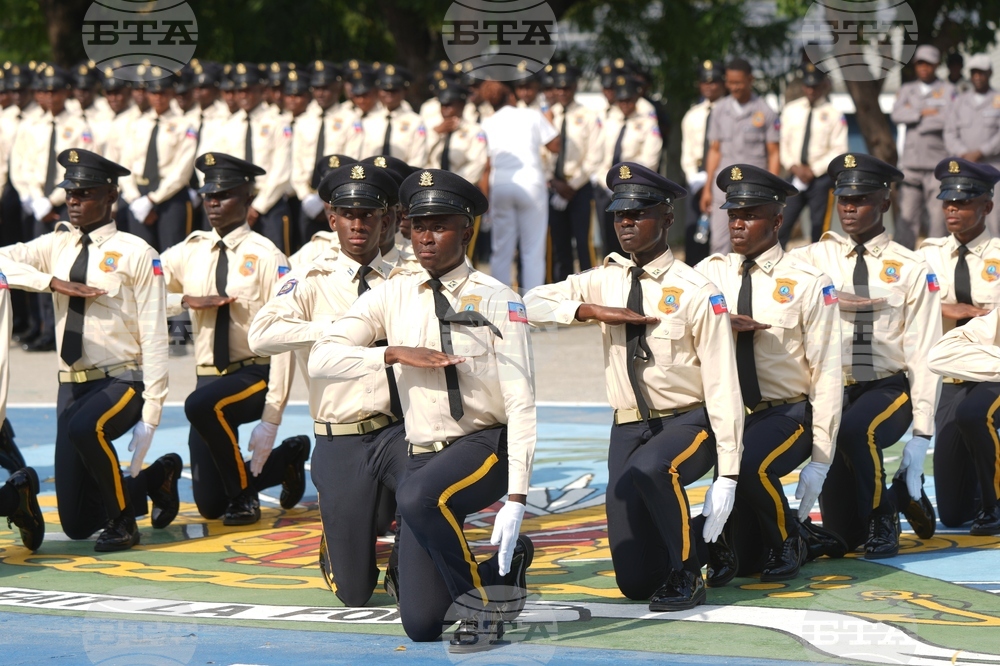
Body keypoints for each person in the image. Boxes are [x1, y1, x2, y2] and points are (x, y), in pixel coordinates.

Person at [309, 168, 535, 650]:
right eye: (417, 225)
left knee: (416, 497)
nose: (425, 237)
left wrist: (516, 499)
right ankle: (505, 566)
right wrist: (389, 353)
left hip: (484, 444)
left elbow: (521, 402)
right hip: (421, 451)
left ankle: (483, 605)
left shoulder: (499, 299)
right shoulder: (390, 295)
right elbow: (323, 356)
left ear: (467, 229)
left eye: (440, 224)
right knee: (422, 624)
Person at [524, 162, 743, 611]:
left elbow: (723, 383)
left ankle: (688, 574)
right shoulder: (604, 280)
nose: (625, 222)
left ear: (666, 218)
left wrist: (729, 472)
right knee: (636, 582)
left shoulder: (696, 290)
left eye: (638, 213)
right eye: (619, 214)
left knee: (652, 468)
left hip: (687, 420)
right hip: (627, 426)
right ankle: (707, 540)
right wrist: (590, 311)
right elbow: (530, 302)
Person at [0, 148, 180, 551]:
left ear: (111, 195)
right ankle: (156, 480)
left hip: (123, 377)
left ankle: (123, 523)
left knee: (88, 428)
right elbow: (1, 260)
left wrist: (152, 413)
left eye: (85, 193)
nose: (74, 201)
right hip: (71, 384)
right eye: (70, 193)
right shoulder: (56, 245)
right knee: (78, 523)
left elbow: (154, 334)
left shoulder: (137, 253)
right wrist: (51, 283)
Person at [249, 163, 407, 606]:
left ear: (387, 219)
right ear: (332, 218)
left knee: (426, 491)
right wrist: (337, 330)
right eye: (348, 214)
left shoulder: (408, 275)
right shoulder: (308, 277)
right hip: (342, 436)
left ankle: (407, 558)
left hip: (402, 430)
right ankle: (342, 544)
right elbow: (260, 336)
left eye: (369, 214)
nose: (358, 224)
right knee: (355, 594)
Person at [694, 163, 844, 583]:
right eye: (733, 214)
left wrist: (821, 456)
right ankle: (761, 539)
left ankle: (788, 541)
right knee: (745, 561)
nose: (737, 224)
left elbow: (827, 369)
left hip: (786, 412)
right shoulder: (708, 274)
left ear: (778, 221)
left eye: (750, 214)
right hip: (728, 410)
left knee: (751, 463)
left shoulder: (808, 282)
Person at [791, 152, 942, 557]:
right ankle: (897, 499)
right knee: (844, 538)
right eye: (843, 200)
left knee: (859, 430)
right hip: (832, 387)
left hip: (887, 387)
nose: (850, 209)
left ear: (885, 204)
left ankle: (884, 518)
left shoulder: (912, 267)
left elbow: (925, 350)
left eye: (861, 200)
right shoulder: (810, 259)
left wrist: (922, 436)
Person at [159, 153, 307, 525]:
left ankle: (244, 497)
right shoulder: (190, 250)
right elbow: (141, 289)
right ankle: (285, 461)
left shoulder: (266, 256)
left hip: (253, 374)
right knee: (209, 504)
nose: (212, 203)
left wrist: (272, 417)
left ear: (247, 199)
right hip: (208, 377)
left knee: (201, 405)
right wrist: (184, 300)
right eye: (208, 195)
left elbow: (284, 334)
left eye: (223, 195)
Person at [920, 157, 1000, 532]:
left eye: (964, 201)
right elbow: (904, 305)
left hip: (992, 370)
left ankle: (995, 504)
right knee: (952, 514)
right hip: (949, 377)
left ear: (987, 205)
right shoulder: (926, 255)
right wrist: (954, 308)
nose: (953, 208)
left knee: (976, 414)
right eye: (948, 201)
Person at [10, 65, 94, 352]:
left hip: (64, 204)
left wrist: (54, 200)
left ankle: (63, 328)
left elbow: (81, 166)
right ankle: (41, 326)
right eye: (44, 91)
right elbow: (19, 166)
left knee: (66, 267)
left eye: (55, 90)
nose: (49, 96)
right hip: (36, 204)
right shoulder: (30, 124)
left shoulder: (79, 124)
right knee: (35, 264)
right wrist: (34, 198)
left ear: (65, 92)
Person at [201, 63, 293, 255]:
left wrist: (257, 207)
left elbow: (282, 169)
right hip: (236, 205)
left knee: (276, 261)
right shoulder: (229, 125)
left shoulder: (278, 122)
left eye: (249, 90)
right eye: (239, 90)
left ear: (261, 90)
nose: (243, 95)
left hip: (269, 204)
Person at [479, 79, 559, 291]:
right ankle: (532, 306)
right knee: (532, 249)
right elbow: (555, 146)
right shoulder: (532, 115)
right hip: (530, 183)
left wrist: (486, 199)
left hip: (500, 184)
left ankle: (500, 304)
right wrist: (549, 120)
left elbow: (486, 166)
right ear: (511, 96)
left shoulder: (487, 122)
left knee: (501, 248)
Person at [700, 58, 780, 256]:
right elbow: (715, 150)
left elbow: (773, 153)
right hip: (723, 189)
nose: (733, 87)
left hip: (754, 191)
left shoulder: (765, 111)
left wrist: (773, 188)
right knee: (719, 244)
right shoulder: (719, 111)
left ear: (750, 80)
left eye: (738, 82)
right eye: (729, 82)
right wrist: (708, 187)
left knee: (754, 244)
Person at [119, 68, 198, 251]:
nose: (158, 98)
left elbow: (182, 170)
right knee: (140, 258)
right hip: (139, 196)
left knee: (171, 255)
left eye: (164, 92)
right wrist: (135, 198)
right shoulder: (138, 123)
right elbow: (126, 163)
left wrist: (153, 200)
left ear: (171, 93)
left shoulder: (184, 125)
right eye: (154, 93)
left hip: (169, 197)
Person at [891, 45, 956, 249]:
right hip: (911, 165)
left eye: (928, 63)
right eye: (920, 63)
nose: (924, 68)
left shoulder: (948, 90)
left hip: (937, 166)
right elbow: (896, 115)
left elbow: (949, 119)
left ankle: (937, 265)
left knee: (938, 219)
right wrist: (922, 112)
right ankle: (903, 264)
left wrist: (917, 117)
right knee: (906, 219)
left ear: (936, 65)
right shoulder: (907, 89)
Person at [778, 63, 847, 246]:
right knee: (781, 225)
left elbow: (839, 149)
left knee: (819, 230)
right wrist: (793, 166)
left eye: (815, 86)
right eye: (807, 86)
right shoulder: (791, 109)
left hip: (821, 179)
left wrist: (814, 170)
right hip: (795, 176)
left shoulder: (834, 113)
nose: (811, 90)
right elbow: (783, 143)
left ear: (824, 85)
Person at [546, 64, 604, 282]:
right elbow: (544, 154)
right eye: (558, 88)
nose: (562, 92)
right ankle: (562, 288)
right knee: (558, 244)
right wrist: (553, 182)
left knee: (584, 243)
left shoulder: (588, 115)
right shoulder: (549, 115)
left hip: (578, 188)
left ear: (575, 87)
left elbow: (594, 155)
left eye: (567, 88)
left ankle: (589, 288)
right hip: (556, 186)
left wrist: (573, 185)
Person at [597, 75, 663, 257]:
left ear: (636, 99)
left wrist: (625, 186)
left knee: (633, 240)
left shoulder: (647, 123)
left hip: (634, 190)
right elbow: (598, 157)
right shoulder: (608, 123)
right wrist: (607, 184)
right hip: (606, 189)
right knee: (607, 240)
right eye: (621, 100)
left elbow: (649, 161)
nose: (625, 104)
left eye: (629, 100)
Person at [944, 54, 1000, 235]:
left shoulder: (997, 99)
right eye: (974, 72)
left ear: (990, 73)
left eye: (981, 72)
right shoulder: (960, 101)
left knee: (994, 216)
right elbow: (950, 132)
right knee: (962, 212)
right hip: (964, 169)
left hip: (992, 168)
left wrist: (981, 151)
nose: (977, 77)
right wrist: (962, 152)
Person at [291, 61, 344, 250]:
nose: (321, 93)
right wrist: (305, 196)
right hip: (309, 200)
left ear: (337, 87)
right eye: (316, 88)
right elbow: (296, 162)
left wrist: (334, 200)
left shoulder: (349, 120)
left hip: (340, 202)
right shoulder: (303, 121)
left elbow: (354, 160)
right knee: (307, 254)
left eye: (326, 88)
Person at [680, 59, 727, 265]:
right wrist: (695, 180)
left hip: (722, 176)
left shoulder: (729, 112)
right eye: (705, 82)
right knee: (694, 236)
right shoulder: (693, 115)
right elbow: (687, 152)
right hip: (697, 179)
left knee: (721, 237)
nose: (709, 86)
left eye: (714, 81)